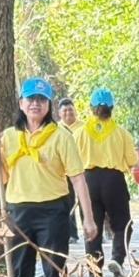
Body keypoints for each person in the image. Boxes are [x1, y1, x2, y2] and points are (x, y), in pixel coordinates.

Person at [0, 77, 97, 277]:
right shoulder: (8, 137)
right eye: (30, 99)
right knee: (19, 271)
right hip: (17, 212)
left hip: (53, 211)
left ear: (48, 105)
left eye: (41, 99)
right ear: (21, 103)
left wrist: (89, 219)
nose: (35, 104)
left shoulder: (61, 136)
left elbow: (78, 179)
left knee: (53, 271)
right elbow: (0, 179)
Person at [76, 88, 137, 277]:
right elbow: (132, 160)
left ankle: (95, 271)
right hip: (114, 181)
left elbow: (71, 162)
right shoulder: (121, 133)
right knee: (122, 224)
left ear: (91, 108)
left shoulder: (79, 134)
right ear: (112, 108)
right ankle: (117, 259)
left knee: (91, 224)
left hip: (88, 181)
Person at [58, 97, 82, 243]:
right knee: (68, 203)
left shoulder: (84, 127)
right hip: (65, 173)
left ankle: (93, 229)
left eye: (71, 110)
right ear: (60, 113)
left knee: (88, 202)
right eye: (65, 111)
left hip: (84, 170)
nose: (68, 113)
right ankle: (71, 233)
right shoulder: (56, 129)